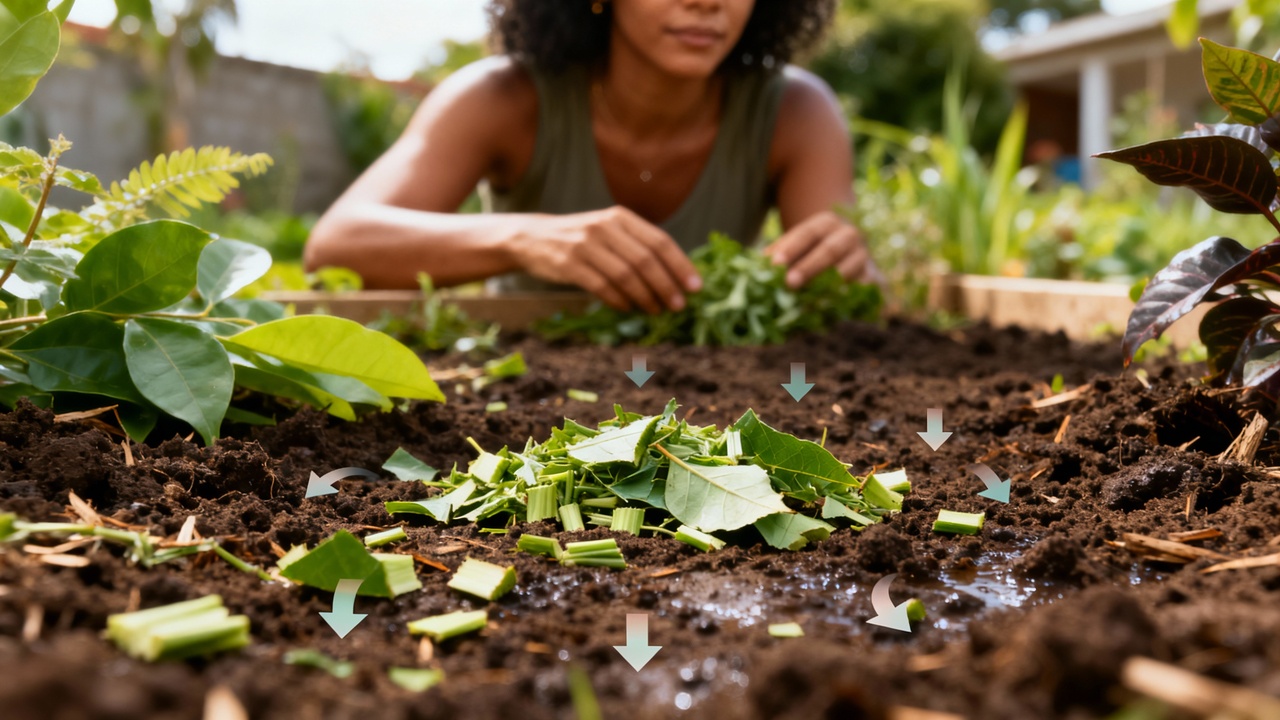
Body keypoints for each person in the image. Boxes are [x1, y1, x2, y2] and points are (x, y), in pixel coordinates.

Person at [305, 0, 874, 315]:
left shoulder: (797, 112)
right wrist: (526, 239)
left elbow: (848, 303)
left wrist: (847, 271)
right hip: (516, 393)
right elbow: (337, 247)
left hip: (708, 409)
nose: (707, 2)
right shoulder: (501, 98)